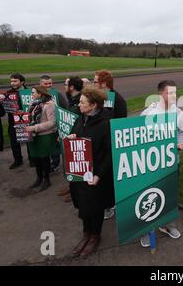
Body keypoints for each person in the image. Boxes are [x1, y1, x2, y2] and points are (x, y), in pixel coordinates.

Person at [139, 80, 183, 247]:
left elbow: (182, 133)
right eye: (170, 93)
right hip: (151, 164)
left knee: (169, 194)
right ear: (161, 94)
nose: (174, 96)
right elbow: (139, 137)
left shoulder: (178, 113)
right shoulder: (148, 113)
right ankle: (145, 230)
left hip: (172, 162)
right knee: (149, 196)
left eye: (175, 92)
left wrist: (181, 144)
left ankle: (167, 225)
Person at [68, 86, 113, 257]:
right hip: (80, 172)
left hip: (96, 176)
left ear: (93, 105)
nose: (79, 105)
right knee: (83, 205)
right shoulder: (81, 118)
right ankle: (86, 233)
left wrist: (98, 175)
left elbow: (109, 154)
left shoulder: (105, 124)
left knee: (95, 207)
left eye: (82, 102)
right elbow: (75, 133)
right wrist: (72, 136)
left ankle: (95, 236)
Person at [93, 70, 127, 220]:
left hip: (111, 145)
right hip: (98, 145)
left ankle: (111, 204)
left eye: (95, 81)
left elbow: (121, 125)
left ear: (104, 84)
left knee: (109, 176)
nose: (93, 84)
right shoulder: (97, 98)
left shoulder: (118, 100)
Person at [25, 86, 58, 192]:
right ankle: (39, 178)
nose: (31, 94)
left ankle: (46, 179)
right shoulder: (34, 103)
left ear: (40, 93)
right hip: (33, 135)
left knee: (44, 158)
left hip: (44, 135)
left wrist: (34, 128)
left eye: (33, 92)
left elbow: (52, 122)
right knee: (36, 158)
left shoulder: (50, 105)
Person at [57, 76, 83, 203]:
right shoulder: (71, 99)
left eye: (66, 84)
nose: (64, 86)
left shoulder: (80, 102)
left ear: (72, 87)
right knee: (70, 164)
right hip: (69, 135)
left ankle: (75, 192)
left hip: (77, 138)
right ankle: (71, 187)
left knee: (77, 165)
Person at [0, 74, 30, 169]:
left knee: (29, 141)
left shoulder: (29, 92)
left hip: (27, 120)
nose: (13, 83)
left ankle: (32, 159)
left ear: (22, 82)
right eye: (11, 81)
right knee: (14, 142)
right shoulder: (8, 93)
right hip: (13, 121)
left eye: (15, 81)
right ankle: (18, 160)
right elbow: (0, 104)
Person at [40, 75, 68, 174]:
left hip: (55, 126)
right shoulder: (37, 94)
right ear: (40, 84)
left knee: (55, 147)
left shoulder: (57, 94)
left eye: (50, 83)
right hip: (43, 127)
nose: (48, 85)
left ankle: (55, 164)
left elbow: (65, 108)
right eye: (45, 83)